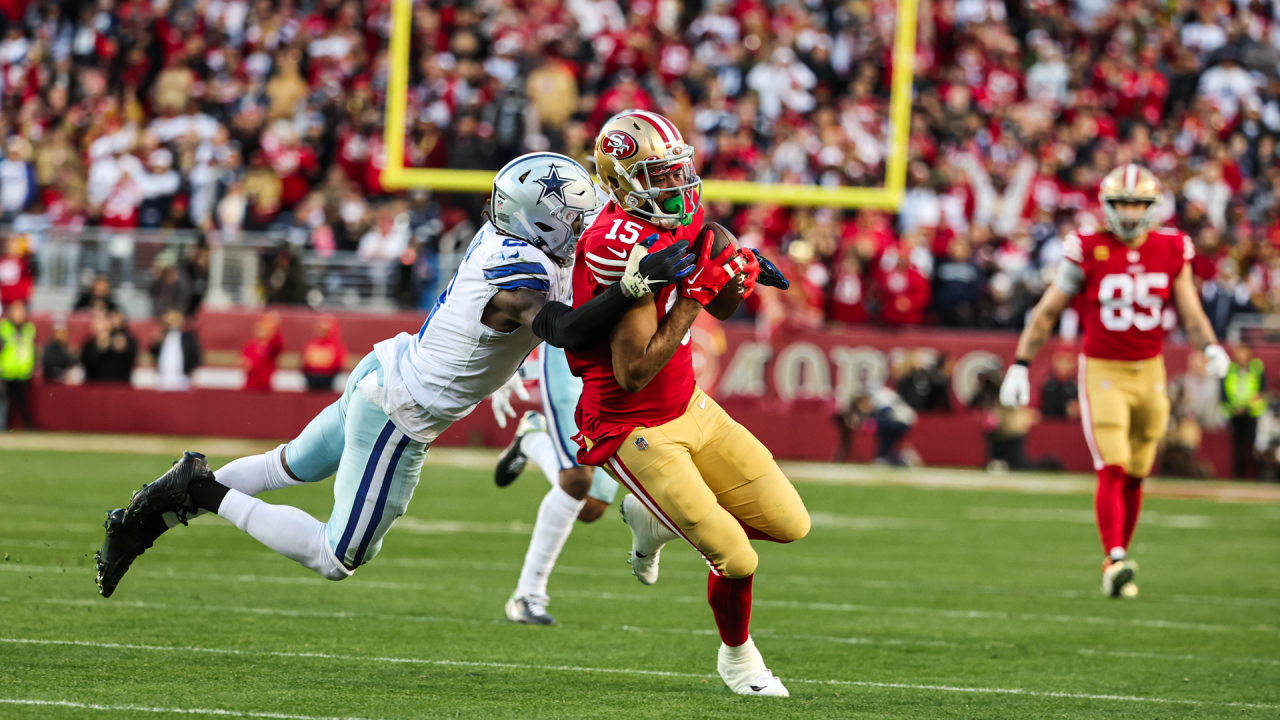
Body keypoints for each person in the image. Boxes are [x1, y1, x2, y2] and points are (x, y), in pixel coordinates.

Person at [93, 153, 694, 613]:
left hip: (385, 370)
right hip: (401, 412)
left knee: (289, 465)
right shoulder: (522, 271)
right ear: (537, 222)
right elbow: (560, 327)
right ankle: (197, 492)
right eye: (570, 216)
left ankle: (152, 512)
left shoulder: (511, 237)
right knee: (338, 557)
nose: (583, 224)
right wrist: (633, 289)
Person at [567, 111, 803, 697]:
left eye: (677, 171)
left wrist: (733, 266)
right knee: (736, 557)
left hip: (688, 404)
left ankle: (651, 520)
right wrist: (696, 294)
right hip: (630, 424)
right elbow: (633, 370)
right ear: (621, 181)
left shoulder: (679, 213)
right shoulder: (614, 244)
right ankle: (738, 659)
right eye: (657, 175)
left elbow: (719, 298)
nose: (676, 187)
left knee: (789, 522)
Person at [1000, 164, 1230, 599]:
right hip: (1104, 369)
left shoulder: (1171, 247)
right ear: (1106, 205)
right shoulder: (1087, 247)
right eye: (1120, 203)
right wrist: (1021, 363)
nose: (1127, 212)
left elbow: (1189, 310)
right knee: (1114, 461)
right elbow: (1048, 311)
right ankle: (1116, 556)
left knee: (1139, 470)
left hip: (1151, 370)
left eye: (1137, 203)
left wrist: (1210, 346)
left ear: (1152, 206)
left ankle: (1117, 558)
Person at [491, 345, 620, 626]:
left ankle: (533, 438)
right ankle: (528, 594)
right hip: (572, 347)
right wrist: (507, 356)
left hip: (625, 358)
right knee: (576, 479)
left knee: (591, 507)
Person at [1221, 345, 1266, 479]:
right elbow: (1224, 390)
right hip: (1235, 413)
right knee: (1238, 447)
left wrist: (1247, 406)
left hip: (1252, 413)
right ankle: (1238, 476)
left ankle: (1257, 477)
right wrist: (1234, 407)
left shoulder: (1256, 368)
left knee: (1253, 446)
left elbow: (1261, 390)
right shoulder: (1230, 369)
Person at [0, 299, 35, 430]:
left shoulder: (29, 329)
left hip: (23, 372)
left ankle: (28, 427)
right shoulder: (4, 327)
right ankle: (2, 427)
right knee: (3, 401)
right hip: (5, 371)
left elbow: (32, 350)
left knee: (23, 403)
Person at [150, 308, 202, 392]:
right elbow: (153, 354)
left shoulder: (188, 337)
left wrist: (189, 371)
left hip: (182, 379)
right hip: (163, 379)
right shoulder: (162, 337)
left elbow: (195, 355)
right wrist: (157, 341)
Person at [81, 310, 137, 383]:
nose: (99, 325)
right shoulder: (89, 343)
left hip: (120, 387)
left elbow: (131, 359)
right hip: (94, 386)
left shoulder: (124, 340)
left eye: (102, 321)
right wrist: (99, 348)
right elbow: (86, 362)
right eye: (96, 321)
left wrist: (122, 348)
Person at [301, 316, 347, 392]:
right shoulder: (311, 344)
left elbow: (339, 363)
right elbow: (304, 361)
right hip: (311, 380)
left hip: (328, 380)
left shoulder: (335, 346)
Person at [241, 314, 284, 392]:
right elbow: (244, 361)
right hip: (250, 385)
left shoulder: (271, 345)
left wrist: (273, 326)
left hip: (265, 387)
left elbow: (278, 344)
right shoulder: (250, 345)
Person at [1039, 352, 1079, 420]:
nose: (1064, 365)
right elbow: (1035, 402)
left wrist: (1077, 409)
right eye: (1061, 360)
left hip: (1070, 424)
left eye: (1068, 361)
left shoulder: (1077, 382)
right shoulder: (1046, 380)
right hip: (1047, 420)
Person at [41, 315, 77, 383]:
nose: (62, 334)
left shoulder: (67, 349)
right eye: (59, 331)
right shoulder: (50, 351)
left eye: (65, 331)